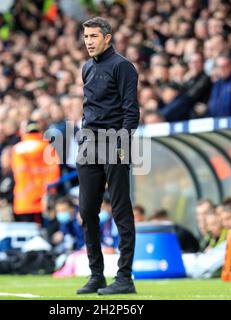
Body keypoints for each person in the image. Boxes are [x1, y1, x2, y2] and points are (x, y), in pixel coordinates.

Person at [76, 17, 139, 295]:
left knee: (121, 210)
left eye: (93, 36)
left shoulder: (123, 66)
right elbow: (88, 107)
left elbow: (131, 110)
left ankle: (124, 277)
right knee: (87, 210)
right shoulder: (86, 68)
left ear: (107, 38)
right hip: (89, 143)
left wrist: (123, 143)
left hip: (115, 141)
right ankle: (97, 275)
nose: (88, 41)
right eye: (86, 36)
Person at [12, 121, 60, 224]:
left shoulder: (17, 148)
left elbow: (17, 173)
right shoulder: (48, 147)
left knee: (26, 232)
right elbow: (54, 172)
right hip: (43, 197)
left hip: (23, 198)